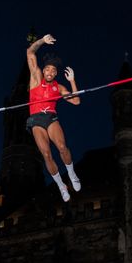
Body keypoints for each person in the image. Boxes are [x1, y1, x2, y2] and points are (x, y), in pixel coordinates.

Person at [26, 34, 81, 202]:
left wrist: (72, 81)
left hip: (50, 118)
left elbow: (76, 101)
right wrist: (42, 41)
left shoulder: (59, 87)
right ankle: (60, 185)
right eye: (47, 69)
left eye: (53, 70)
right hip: (36, 120)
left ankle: (71, 173)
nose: (50, 72)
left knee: (62, 147)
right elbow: (30, 52)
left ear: (56, 73)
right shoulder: (36, 79)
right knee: (46, 154)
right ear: (43, 70)